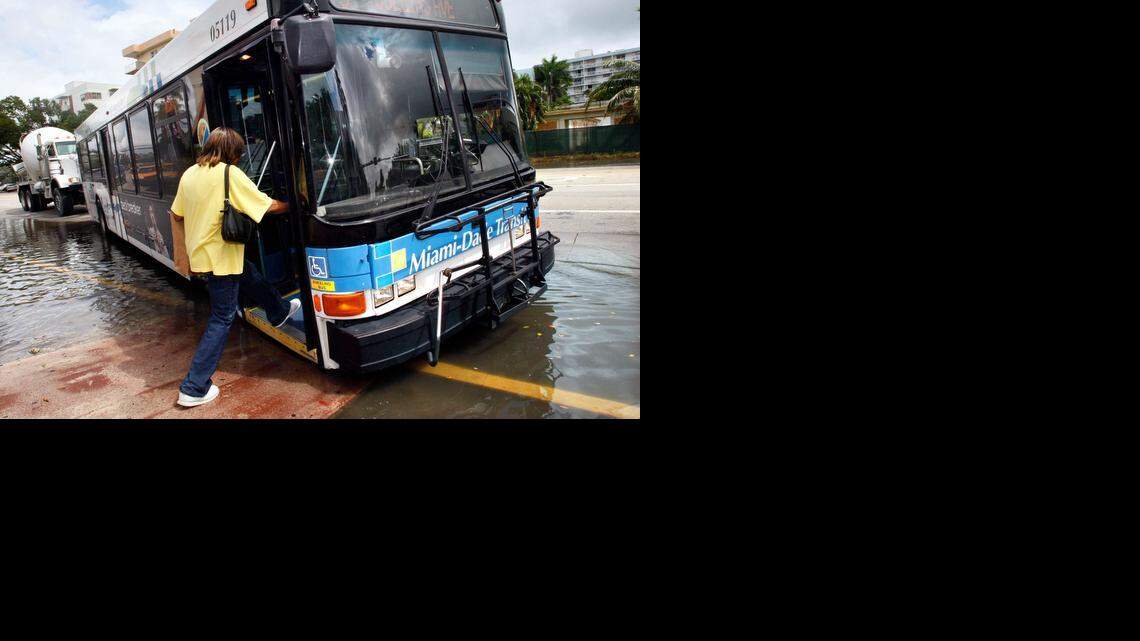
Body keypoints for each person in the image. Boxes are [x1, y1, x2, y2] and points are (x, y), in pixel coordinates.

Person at [170, 127, 300, 408]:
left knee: (249, 273)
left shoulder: (189, 174)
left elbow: (177, 214)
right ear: (232, 152)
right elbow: (266, 207)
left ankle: (277, 311)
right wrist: (296, 204)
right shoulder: (230, 173)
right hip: (222, 256)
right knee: (222, 317)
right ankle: (194, 386)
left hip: (202, 256)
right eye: (239, 153)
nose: (240, 158)